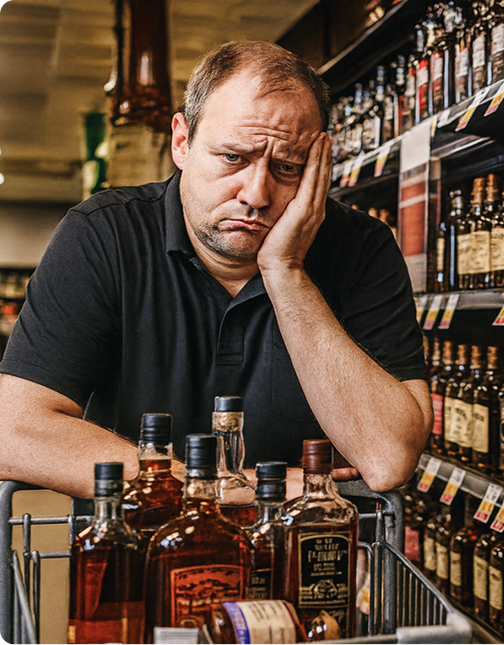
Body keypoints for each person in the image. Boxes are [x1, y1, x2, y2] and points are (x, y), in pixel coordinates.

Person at [0, 41, 431, 499]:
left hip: (303, 556)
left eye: (288, 167)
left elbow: (389, 460)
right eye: (233, 157)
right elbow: (13, 431)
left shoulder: (362, 247)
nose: (256, 194)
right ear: (182, 142)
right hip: (142, 550)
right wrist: (222, 491)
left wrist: (286, 271)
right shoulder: (104, 234)